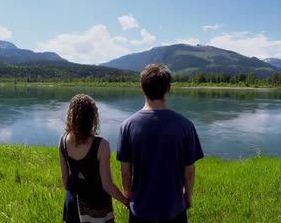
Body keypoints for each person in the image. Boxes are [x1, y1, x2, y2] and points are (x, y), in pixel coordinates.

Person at [117, 64, 204, 223]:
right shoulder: (186, 126)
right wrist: (187, 197)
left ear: (142, 88)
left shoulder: (127, 126)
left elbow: (125, 172)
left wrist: (127, 194)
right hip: (174, 208)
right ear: (168, 88)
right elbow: (189, 172)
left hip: (140, 209)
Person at [59, 94, 129, 223]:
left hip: (72, 203)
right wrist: (126, 202)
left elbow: (64, 176)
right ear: (93, 117)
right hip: (96, 205)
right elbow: (107, 184)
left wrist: (73, 196)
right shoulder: (102, 145)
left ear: (71, 116)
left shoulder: (63, 140)